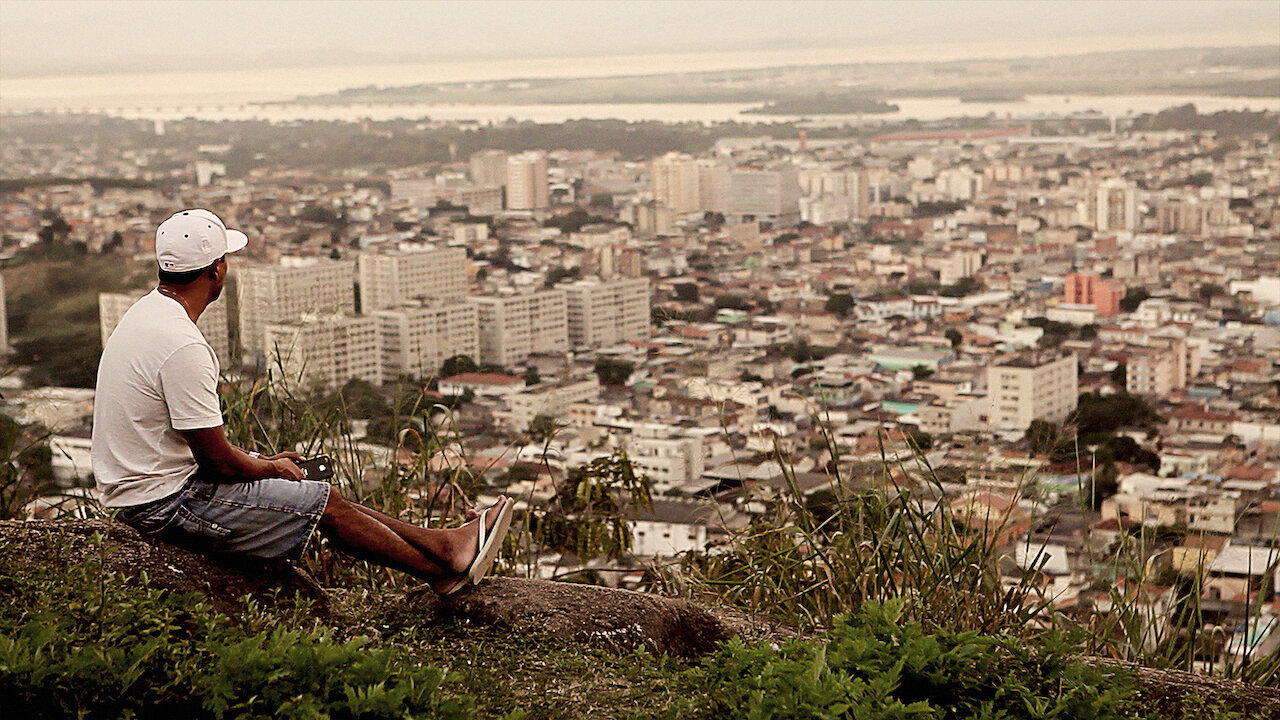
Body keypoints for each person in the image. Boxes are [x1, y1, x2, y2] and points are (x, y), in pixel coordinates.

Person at [91, 209, 511, 596]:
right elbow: (215, 462)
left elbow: (195, 447)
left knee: (315, 490)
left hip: (149, 490)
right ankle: (441, 571)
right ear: (218, 269)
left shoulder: (145, 315)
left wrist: (262, 463)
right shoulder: (182, 345)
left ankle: (446, 545)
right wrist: (269, 467)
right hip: (165, 505)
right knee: (321, 502)